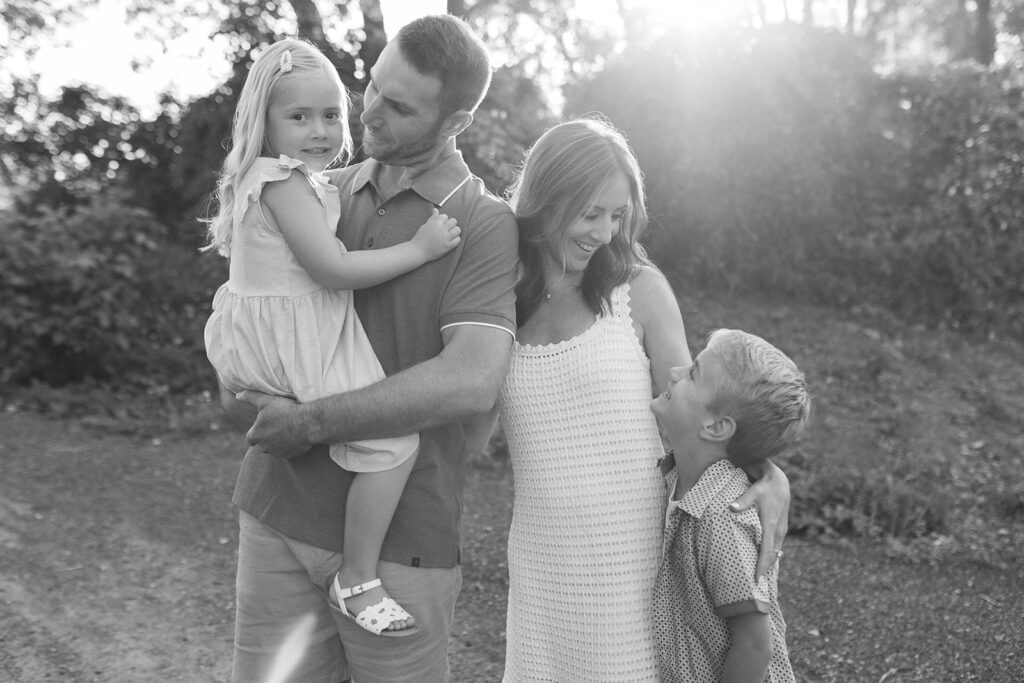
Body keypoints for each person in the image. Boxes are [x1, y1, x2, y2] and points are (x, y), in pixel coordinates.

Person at [217, 17, 518, 683]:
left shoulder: (481, 222)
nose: (370, 111)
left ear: (456, 120)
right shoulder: (318, 191)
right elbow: (247, 332)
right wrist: (247, 392)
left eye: (400, 106)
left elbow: (471, 381)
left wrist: (309, 421)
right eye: (374, 86)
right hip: (278, 513)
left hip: (399, 546)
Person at [496, 117, 791, 682]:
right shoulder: (499, 293)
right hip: (541, 559)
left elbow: (696, 412)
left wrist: (768, 471)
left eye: (617, 215)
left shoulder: (637, 289)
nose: (605, 232)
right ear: (544, 199)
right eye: (590, 213)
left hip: (634, 561)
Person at [649, 328, 810, 682]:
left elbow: (755, 645)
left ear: (717, 427)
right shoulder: (678, 477)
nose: (674, 371)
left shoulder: (722, 517)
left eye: (693, 373)